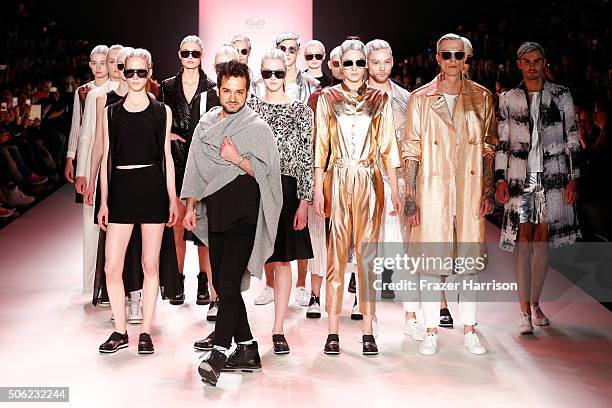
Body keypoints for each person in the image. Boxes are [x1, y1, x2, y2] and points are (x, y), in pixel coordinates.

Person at [182, 61, 282, 386]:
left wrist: (237, 160)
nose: (233, 97)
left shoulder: (257, 127)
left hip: (245, 216)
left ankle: (219, 353)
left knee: (226, 283)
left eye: (240, 91)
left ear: (247, 92)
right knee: (223, 286)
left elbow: (269, 174)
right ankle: (249, 349)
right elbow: (195, 169)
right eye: (228, 90)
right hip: (217, 216)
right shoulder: (206, 124)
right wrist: (190, 205)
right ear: (218, 90)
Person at [402, 33, 497, 356]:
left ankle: (469, 328)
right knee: (431, 262)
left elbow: (488, 148)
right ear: (438, 58)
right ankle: (430, 330)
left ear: (467, 58)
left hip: (468, 190)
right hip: (433, 188)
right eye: (447, 55)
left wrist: (487, 189)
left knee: (469, 263)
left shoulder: (482, 98)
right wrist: (411, 195)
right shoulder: (420, 99)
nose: (453, 61)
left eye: (459, 55)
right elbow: (411, 149)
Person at [313, 39, 402, 356]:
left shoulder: (380, 99)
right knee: (336, 254)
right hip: (336, 180)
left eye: (359, 63)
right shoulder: (328, 98)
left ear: (366, 66)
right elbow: (320, 147)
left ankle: (367, 328)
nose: (353, 69)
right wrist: (316, 188)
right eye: (347, 63)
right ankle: (333, 329)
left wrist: (396, 192)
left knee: (368, 255)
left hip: (370, 179)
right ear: (340, 66)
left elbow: (390, 147)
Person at [495, 42, 581, 335]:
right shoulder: (508, 98)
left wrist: (574, 176)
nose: (532, 65)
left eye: (537, 60)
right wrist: (500, 179)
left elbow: (573, 138)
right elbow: (503, 143)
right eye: (527, 61)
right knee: (523, 240)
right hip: (520, 176)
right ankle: (523, 312)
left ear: (545, 62)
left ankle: (535, 304)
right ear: (518, 64)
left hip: (551, 176)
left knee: (542, 241)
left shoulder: (562, 95)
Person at [97, 48, 179, 354]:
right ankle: (120, 330)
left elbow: (166, 157)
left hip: (152, 188)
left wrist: (172, 198)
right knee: (112, 266)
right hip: (120, 190)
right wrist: (104, 202)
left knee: (149, 263)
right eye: (128, 72)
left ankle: (145, 331)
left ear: (149, 73)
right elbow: (106, 157)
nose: (134, 77)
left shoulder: (162, 112)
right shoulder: (111, 112)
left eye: (140, 72)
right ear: (122, 73)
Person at [248, 48, 314, 354]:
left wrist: (304, 200)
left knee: (283, 258)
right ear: (260, 74)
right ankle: (238, 324)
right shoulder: (249, 109)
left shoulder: (301, 111)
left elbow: (305, 157)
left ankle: (278, 329)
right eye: (267, 73)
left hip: (287, 188)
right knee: (247, 256)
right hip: (251, 188)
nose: (273, 78)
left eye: (278, 72)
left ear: (287, 72)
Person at [365, 39, 424, 341]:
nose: (382, 67)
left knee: (406, 250)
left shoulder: (405, 97)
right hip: (367, 180)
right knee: (370, 250)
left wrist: (410, 187)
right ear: (367, 63)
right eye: (376, 62)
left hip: (400, 180)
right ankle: (369, 318)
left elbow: (413, 143)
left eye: (386, 61)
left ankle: (411, 316)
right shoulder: (357, 97)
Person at [158, 35, 217, 309]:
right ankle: (177, 280)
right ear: (179, 54)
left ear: (202, 54)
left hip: (204, 159)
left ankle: (204, 280)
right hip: (177, 158)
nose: (190, 57)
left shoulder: (212, 87)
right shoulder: (167, 86)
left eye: (195, 53)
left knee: (203, 225)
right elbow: (160, 117)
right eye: (186, 53)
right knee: (178, 224)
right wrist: (165, 134)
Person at [75, 44, 122, 295]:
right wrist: (83, 172)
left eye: (117, 62)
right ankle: (95, 284)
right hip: (100, 167)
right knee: (94, 228)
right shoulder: (94, 95)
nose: (113, 67)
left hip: (123, 169)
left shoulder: (140, 92)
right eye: (111, 61)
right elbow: (88, 137)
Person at [64, 45, 109, 186]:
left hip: (110, 148)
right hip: (88, 148)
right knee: (89, 198)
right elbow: (76, 125)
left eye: (103, 63)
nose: (98, 67)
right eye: (94, 63)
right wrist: (70, 158)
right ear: (90, 64)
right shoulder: (82, 91)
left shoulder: (116, 89)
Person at [253, 31, 319, 104]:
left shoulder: (311, 85)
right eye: (282, 49)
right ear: (276, 49)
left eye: (292, 49)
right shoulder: (257, 84)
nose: (287, 53)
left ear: (299, 50)